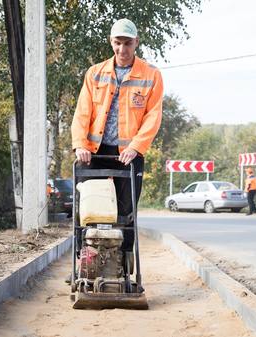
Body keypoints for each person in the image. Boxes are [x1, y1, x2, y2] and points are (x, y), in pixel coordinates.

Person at [71, 18, 163, 253]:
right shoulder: (95, 73)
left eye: (128, 43)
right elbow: (82, 112)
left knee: (126, 211)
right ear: (111, 42)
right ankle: (84, 257)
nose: (122, 49)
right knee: (87, 207)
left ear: (136, 43)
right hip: (94, 151)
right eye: (118, 43)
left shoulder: (151, 75)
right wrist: (80, 145)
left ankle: (124, 261)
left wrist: (136, 147)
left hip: (130, 153)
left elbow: (153, 117)